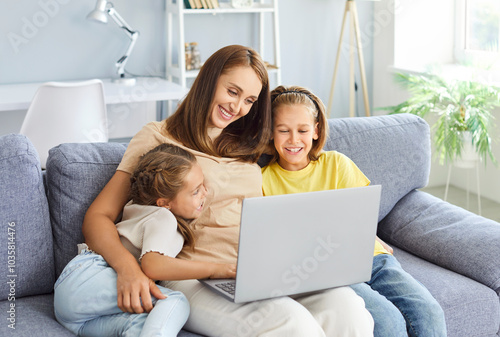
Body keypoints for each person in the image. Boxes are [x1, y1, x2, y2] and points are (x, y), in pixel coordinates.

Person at [82, 45, 374, 337]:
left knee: (347, 308)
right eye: (232, 92)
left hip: (258, 269)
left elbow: (298, 144)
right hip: (194, 275)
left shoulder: (250, 144)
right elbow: (99, 215)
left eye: (249, 100)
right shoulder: (157, 137)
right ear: (209, 81)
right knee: (291, 324)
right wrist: (127, 270)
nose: (237, 108)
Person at [261, 85, 448, 337]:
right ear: (271, 133)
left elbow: (361, 216)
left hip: (373, 258)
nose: (294, 139)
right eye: (283, 131)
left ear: (316, 131)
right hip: (328, 271)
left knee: (429, 311)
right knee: (387, 321)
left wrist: (374, 237)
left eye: (302, 130)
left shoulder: (337, 164)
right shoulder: (263, 180)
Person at [55, 143, 222, 336]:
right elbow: (153, 265)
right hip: (88, 277)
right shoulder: (162, 217)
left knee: (142, 323)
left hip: (79, 311)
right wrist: (216, 269)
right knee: (176, 302)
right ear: (164, 203)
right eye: (196, 191)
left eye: (203, 185)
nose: (205, 193)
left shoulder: (139, 208)